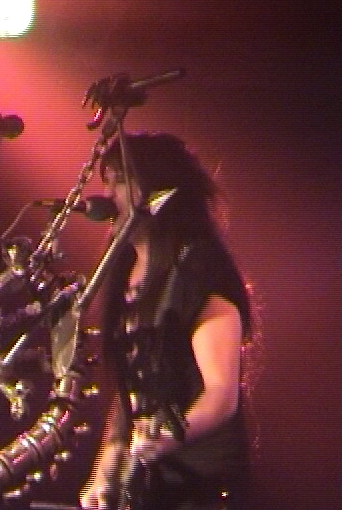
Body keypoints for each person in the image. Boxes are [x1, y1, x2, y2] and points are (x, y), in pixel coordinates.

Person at [79, 132, 258, 510]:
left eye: (120, 181)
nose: (108, 195)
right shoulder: (123, 275)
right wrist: (105, 470)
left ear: (157, 191)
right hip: (153, 484)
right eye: (106, 182)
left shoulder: (196, 267)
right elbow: (133, 390)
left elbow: (221, 393)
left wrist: (169, 437)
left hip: (202, 486)